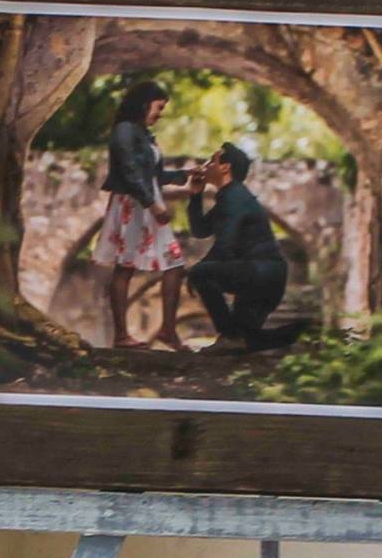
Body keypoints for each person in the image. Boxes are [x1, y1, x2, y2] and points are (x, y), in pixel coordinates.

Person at [92, 78, 192, 350]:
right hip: (133, 203)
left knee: (175, 264)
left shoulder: (144, 135)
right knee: (125, 267)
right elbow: (129, 170)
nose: (160, 115)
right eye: (158, 108)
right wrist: (152, 204)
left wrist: (188, 174)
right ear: (144, 104)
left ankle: (168, 330)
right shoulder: (124, 130)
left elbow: (155, 175)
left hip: (147, 201)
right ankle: (122, 336)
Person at [185, 142, 290, 352]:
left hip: (262, 275)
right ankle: (294, 335)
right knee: (244, 340)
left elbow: (225, 246)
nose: (205, 166)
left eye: (211, 161)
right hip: (266, 277)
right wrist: (196, 194)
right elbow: (200, 230)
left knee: (201, 274)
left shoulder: (235, 197)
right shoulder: (231, 196)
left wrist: (198, 272)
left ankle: (232, 337)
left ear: (225, 167)